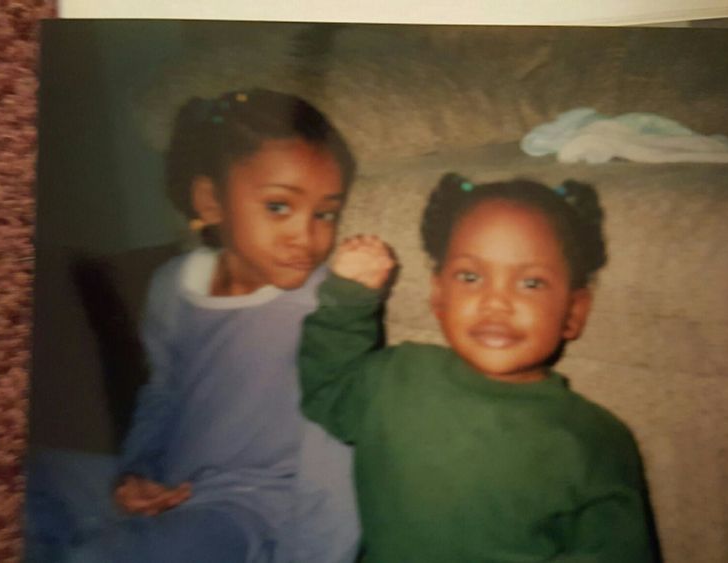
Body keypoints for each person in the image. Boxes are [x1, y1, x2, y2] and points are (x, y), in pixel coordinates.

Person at [298, 173, 662, 562]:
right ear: (438, 296)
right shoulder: (396, 377)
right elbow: (327, 387)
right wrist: (348, 300)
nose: (495, 302)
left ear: (574, 311)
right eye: (471, 277)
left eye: (531, 283)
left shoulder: (596, 439)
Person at [64, 88, 361, 562]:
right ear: (211, 200)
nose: (306, 236)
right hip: (170, 484)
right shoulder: (171, 287)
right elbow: (162, 393)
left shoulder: (325, 304)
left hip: (249, 505)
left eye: (325, 213)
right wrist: (136, 471)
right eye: (279, 206)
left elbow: (336, 449)